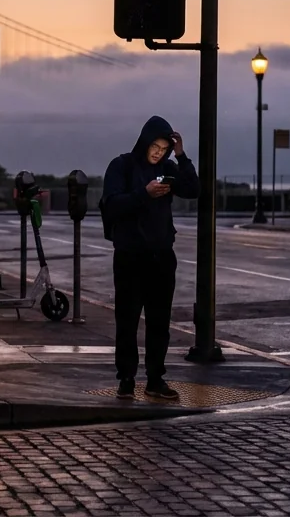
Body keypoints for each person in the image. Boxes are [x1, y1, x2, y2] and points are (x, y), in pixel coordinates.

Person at [100, 115, 200, 400]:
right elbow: (111, 205)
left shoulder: (168, 167)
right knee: (127, 321)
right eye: (155, 146)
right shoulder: (122, 165)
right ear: (144, 142)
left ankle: (155, 379)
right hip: (130, 257)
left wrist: (181, 156)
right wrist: (144, 194)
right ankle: (126, 379)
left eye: (164, 149)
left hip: (161, 257)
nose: (158, 153)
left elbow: (193, 190)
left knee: (159, 322)